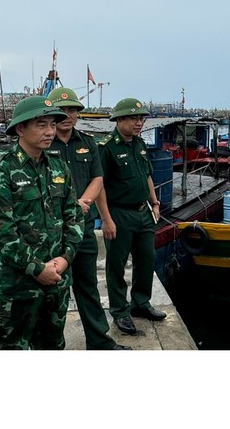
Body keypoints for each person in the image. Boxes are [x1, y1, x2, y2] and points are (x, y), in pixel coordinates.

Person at [0, 95, 83, 350]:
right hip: (18, 288)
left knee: (52, 348)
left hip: (57, 283)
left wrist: (65, 258)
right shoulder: (1, 170)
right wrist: (37, 268)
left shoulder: (60, 168)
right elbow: (3, 231)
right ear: (20, 129)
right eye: (41, 124)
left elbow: (73, 216)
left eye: (52, 124)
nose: (50, 131)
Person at [46, 87, 131, 350]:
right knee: (53, 293)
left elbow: (98, 178)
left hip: (81, 229)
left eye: (72, 110)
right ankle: (50, 346)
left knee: (88, 288)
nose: (67, 116)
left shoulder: (88, 143)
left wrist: (84, 204)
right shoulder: (44, 143)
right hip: (52, 231)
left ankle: (100, 342)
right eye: (61, 111)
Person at [96, 97, 166, 336]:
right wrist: (106, 218)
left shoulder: (139, 144)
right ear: (120, 120)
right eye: (134, 118)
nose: (139, 123)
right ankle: (119, 310)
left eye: (141, 118)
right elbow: (99, 185)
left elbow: (146, 175)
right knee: (116, 264)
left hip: (143, 211)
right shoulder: (106, 148)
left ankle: (140, 303)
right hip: (119, 212)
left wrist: (155, 203)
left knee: (147, 258)